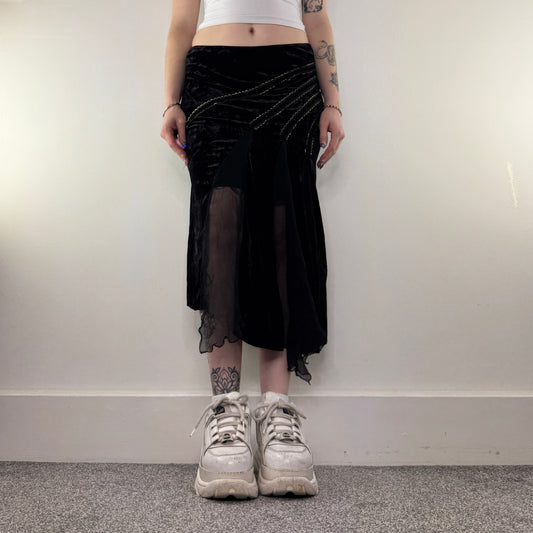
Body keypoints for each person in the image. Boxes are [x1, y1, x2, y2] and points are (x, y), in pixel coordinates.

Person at [160, 0, 344, 499]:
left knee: (281, 243)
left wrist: (332, 102)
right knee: (220, 241)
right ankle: (226, 417)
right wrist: (171, 101)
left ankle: (277, 417)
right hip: (213, 79)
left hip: (289, 78)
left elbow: (316, 16)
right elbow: (182, 22)